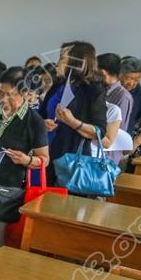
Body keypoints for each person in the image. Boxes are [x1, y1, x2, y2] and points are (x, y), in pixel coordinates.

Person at [0, 67, 49, 253]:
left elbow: (44, 159)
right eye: (0, 93)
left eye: (10, 95)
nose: (3, 99)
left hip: (6, 189)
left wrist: (26, 160)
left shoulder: (34, 122)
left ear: (25, 93)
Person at [41, 41, 107, 184]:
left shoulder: (93, 89)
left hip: (72, 156)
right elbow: (41, 114)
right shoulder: (58, 84)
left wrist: (72, 122)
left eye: (62, 59)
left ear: (76, 63)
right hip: (47, 150)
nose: (57, 63)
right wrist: (43, 123)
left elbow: (99, 131)